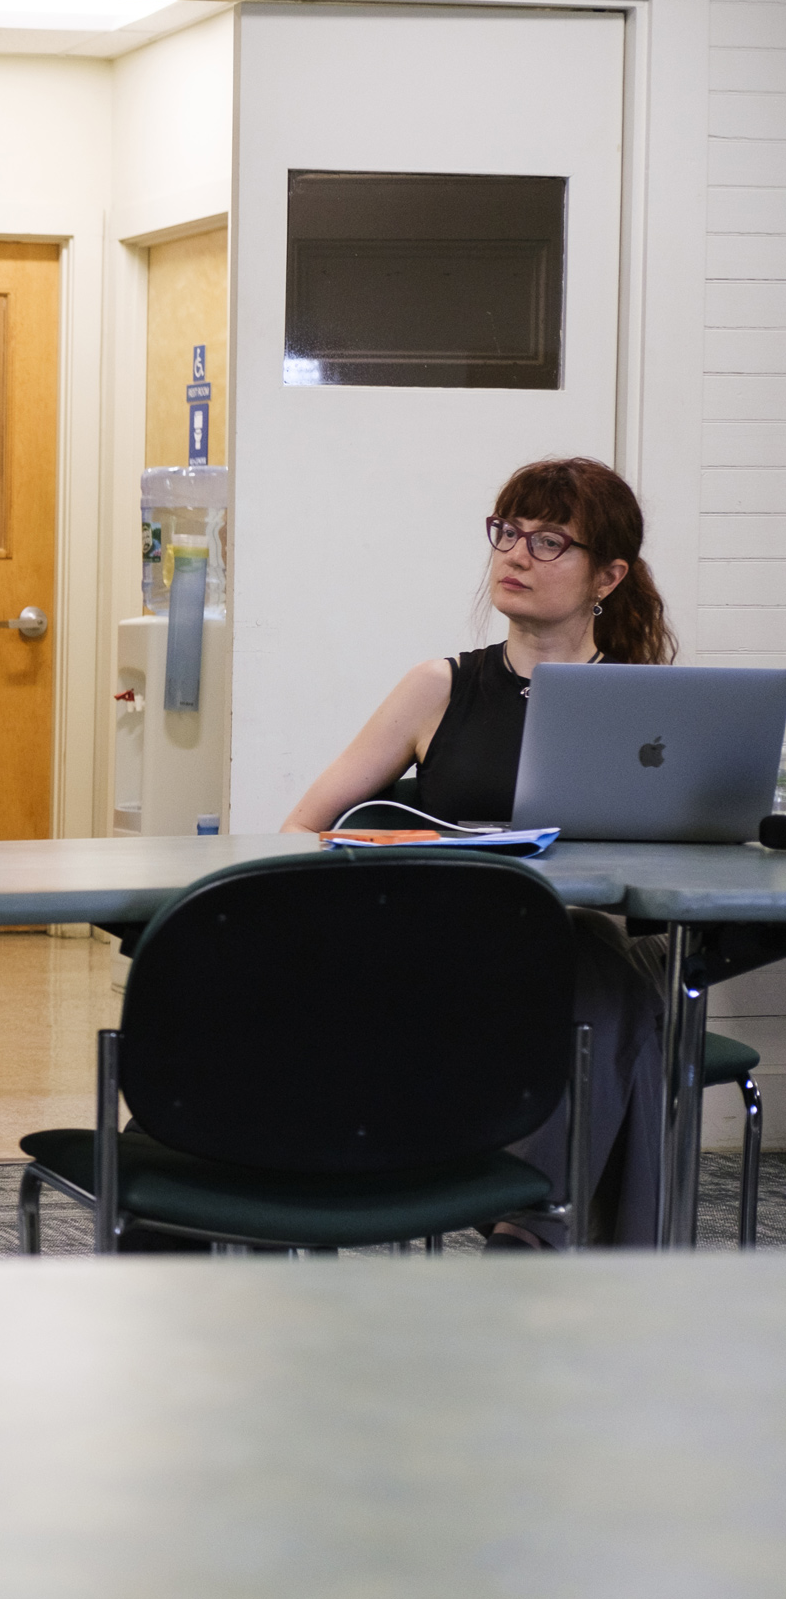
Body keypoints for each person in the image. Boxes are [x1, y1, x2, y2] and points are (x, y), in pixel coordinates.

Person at [283, 456, 676, 1247]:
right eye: (508, 532)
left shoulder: (642, 706)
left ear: (608, 576)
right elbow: (301, 826)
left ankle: (530, 1240)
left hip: (565, 958)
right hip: (440, 955)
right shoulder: (440, 687)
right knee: (622, 1000)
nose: (516, 554)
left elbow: (668, 865)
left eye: (550, 541)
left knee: (602, 972)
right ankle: (570, 1255)